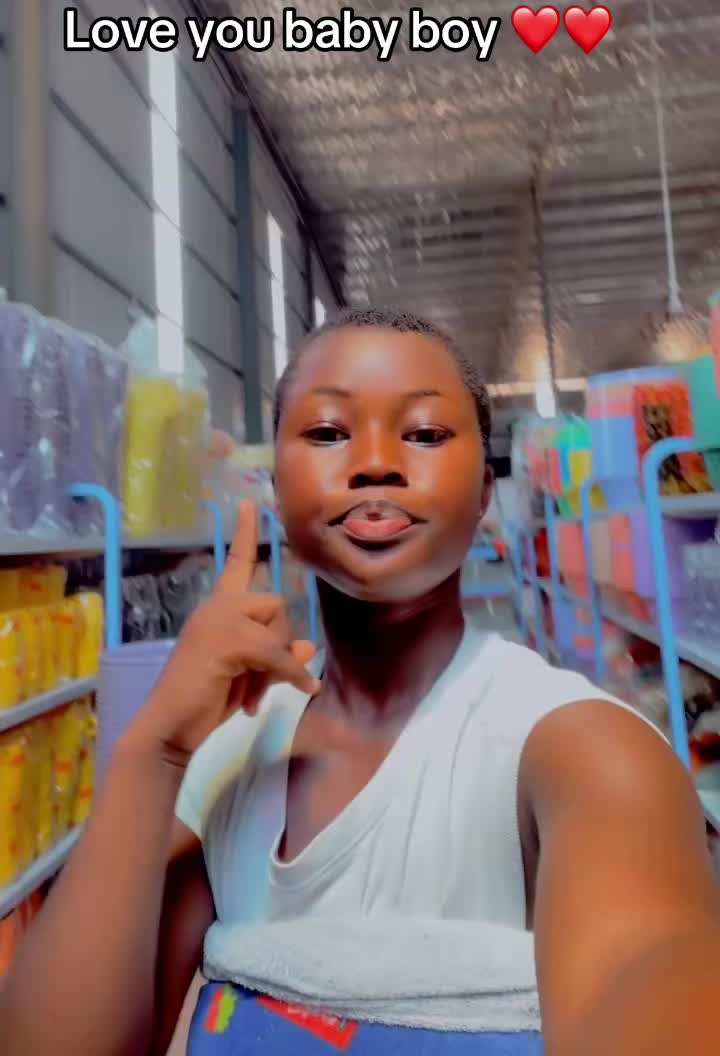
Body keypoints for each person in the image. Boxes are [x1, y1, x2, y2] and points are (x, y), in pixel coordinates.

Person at [1, 307, 719, 1056]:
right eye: (327, 433)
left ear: (485, 492)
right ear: (276, 489)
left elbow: (646, 956)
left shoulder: (583, 748)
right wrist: (151, 753)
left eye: (425, 434)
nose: (376, 462)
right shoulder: (230, 758)